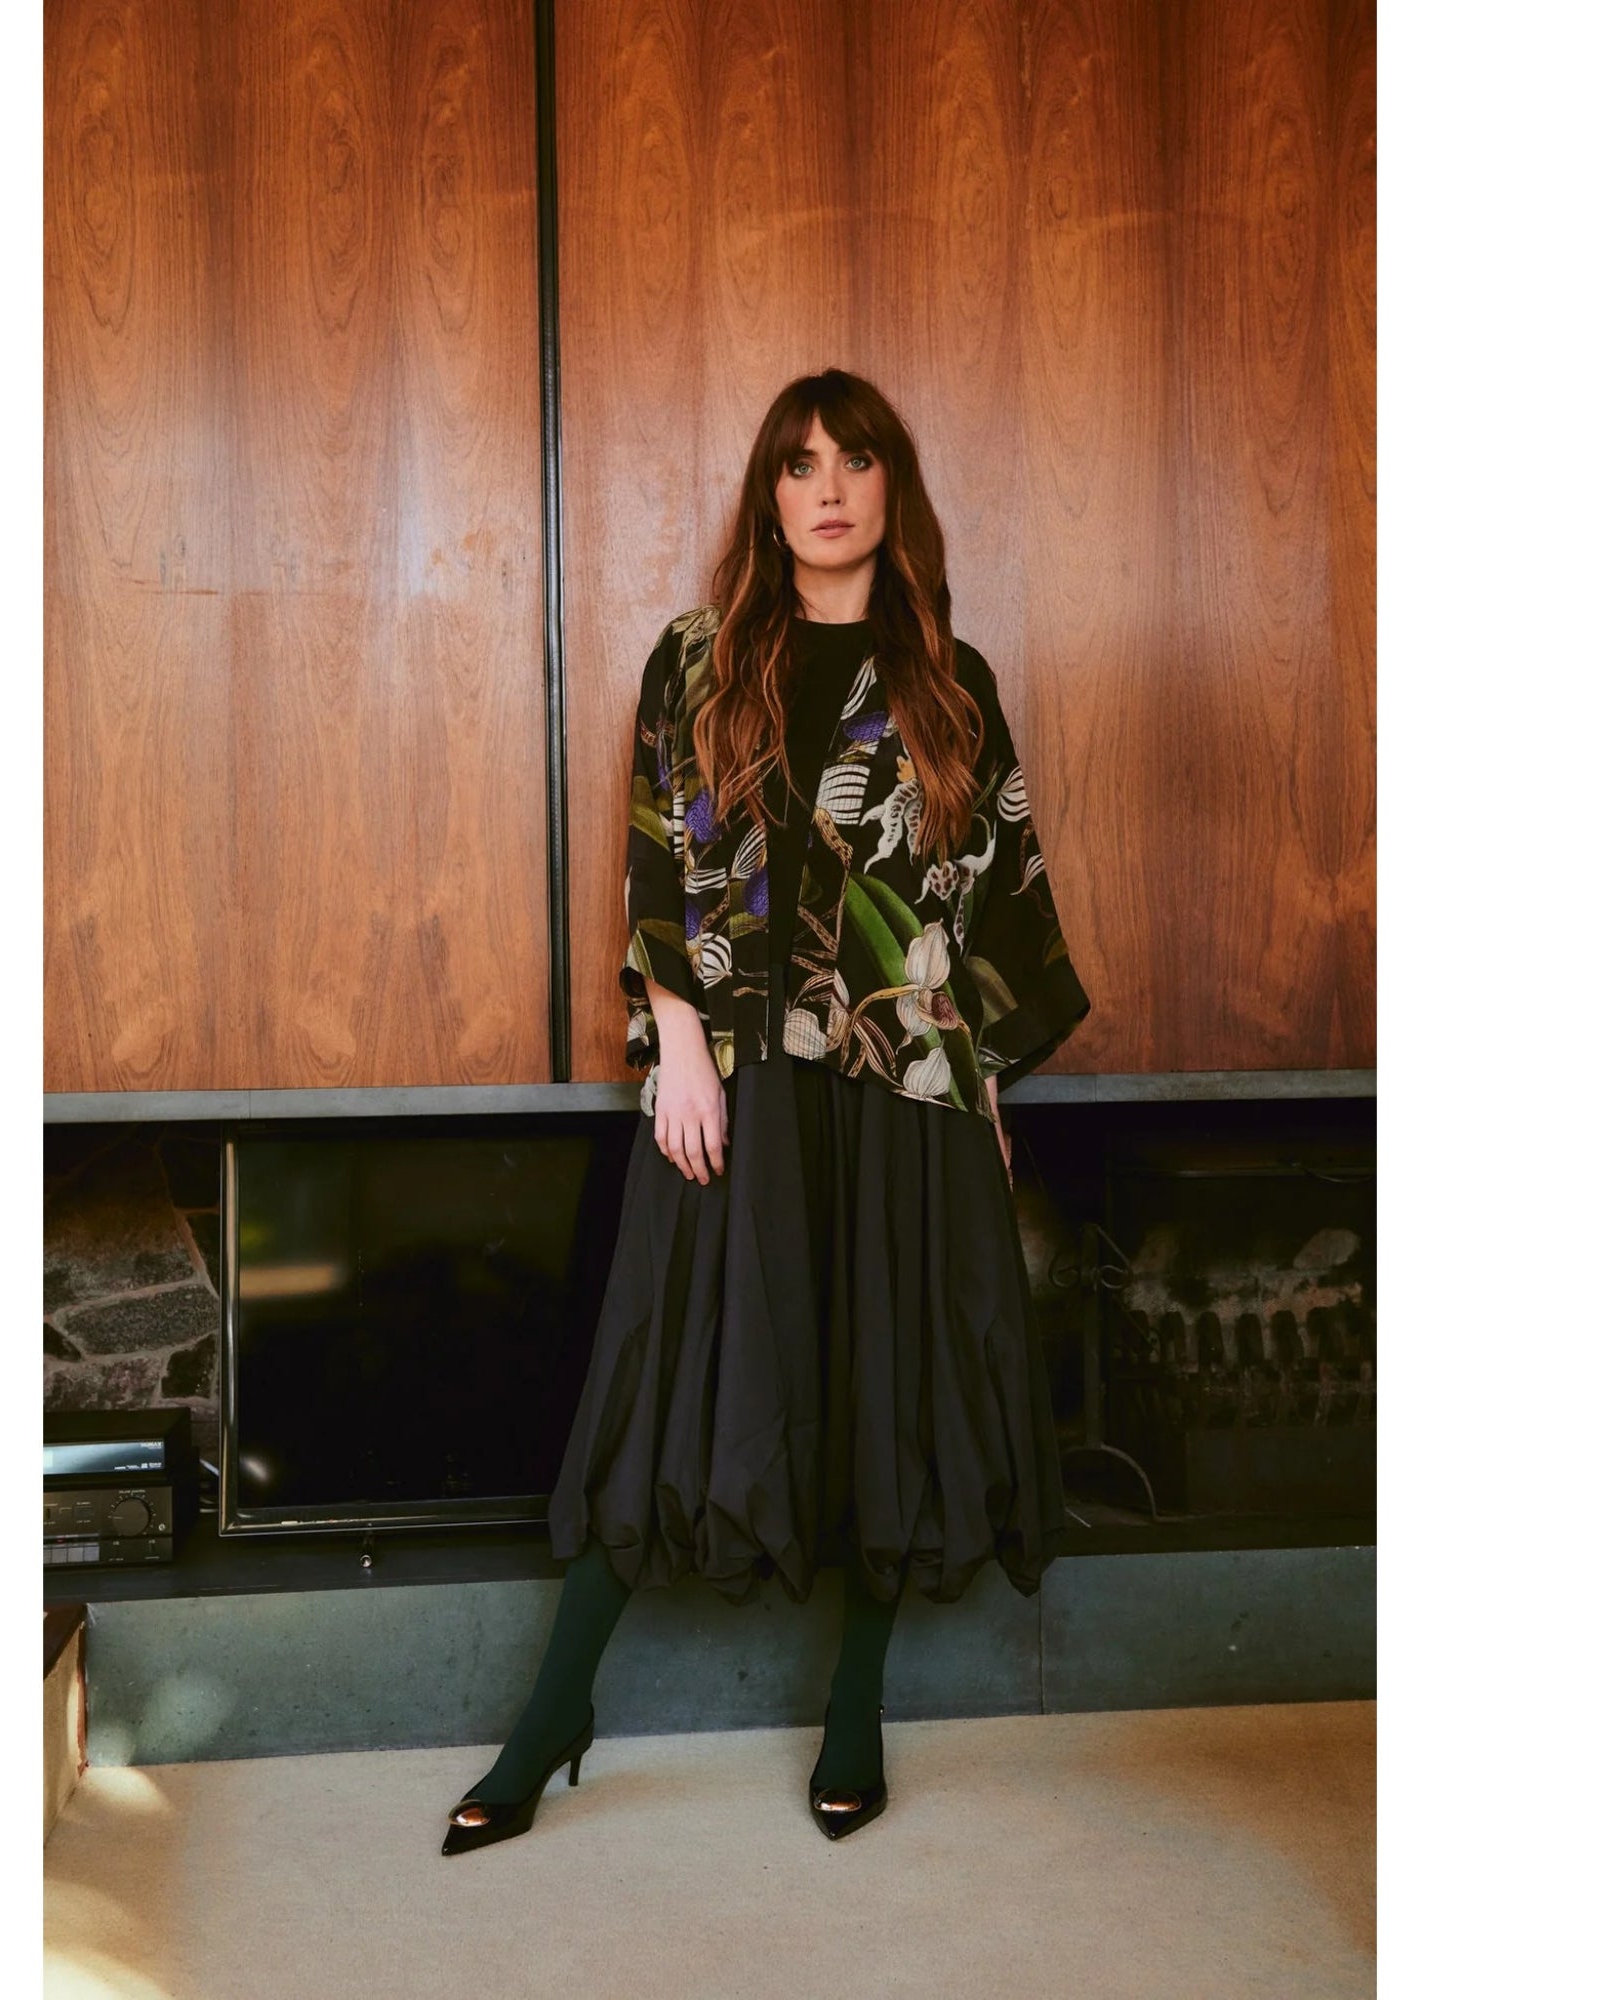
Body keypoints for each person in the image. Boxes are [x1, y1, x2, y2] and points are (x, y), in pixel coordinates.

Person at [442, 368, 1092, 1856]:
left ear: (891, 486)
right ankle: (552, 1714)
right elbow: (656, 858)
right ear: (770, 495)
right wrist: (673, 1040)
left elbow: (989, 896)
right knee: (664, 1379)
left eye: (854, 461)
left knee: (885, 1384)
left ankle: (856, 1707)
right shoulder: (700, 660)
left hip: (903, 1082)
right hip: (732, 1073)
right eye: (800, 465)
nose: (828, 489)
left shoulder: (952, 680)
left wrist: (982, 1085)